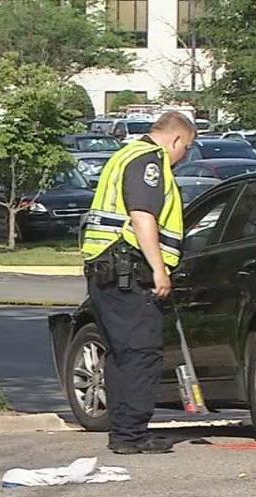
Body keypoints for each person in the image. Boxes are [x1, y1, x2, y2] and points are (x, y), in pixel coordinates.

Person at [80, 111, 196, 455]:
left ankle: (123, 432)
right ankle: (131, 434)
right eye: (186, 148)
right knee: (141, 354)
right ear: (175, 139)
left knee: (122, 354)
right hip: (129, 273)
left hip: (108, 271)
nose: (184, 157)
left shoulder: (123, 155)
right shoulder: (149, 161)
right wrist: (159, 269)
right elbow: (142, 215)